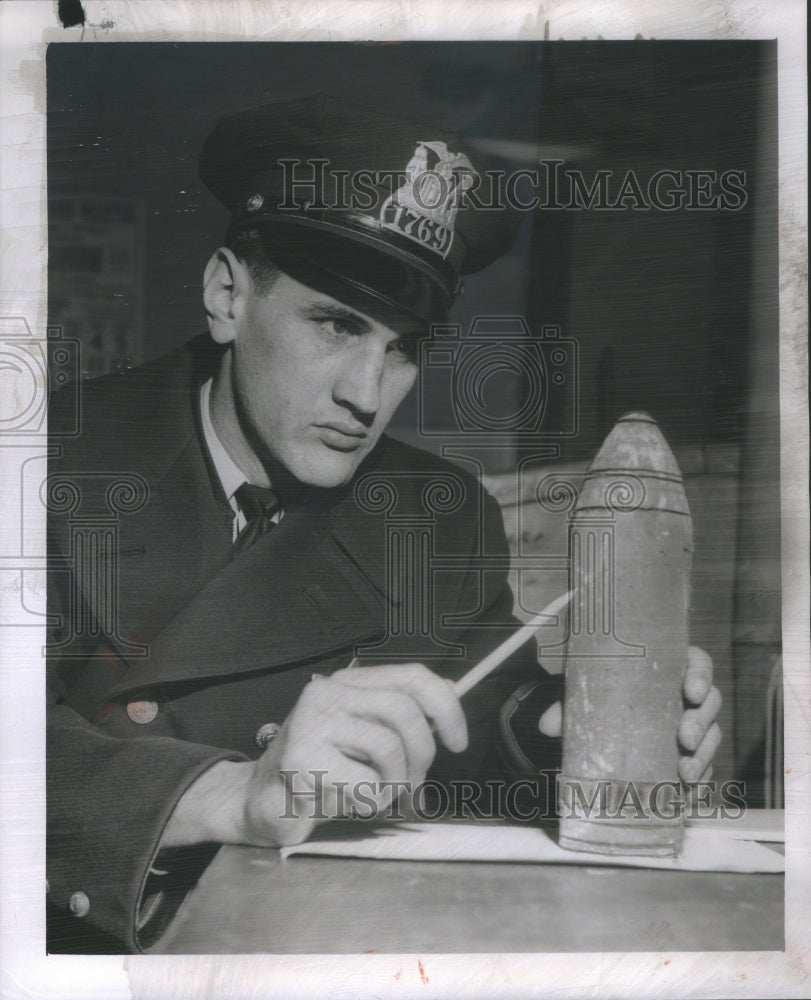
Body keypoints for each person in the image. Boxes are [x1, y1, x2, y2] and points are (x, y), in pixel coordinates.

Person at [46, 94, 722, 953]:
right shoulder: (45, 464)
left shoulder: (435, 515)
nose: (367, 396)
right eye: (335, 325)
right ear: (226, 296)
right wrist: (236, 793)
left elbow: (482, 715)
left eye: (404, 348)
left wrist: (578, 737)